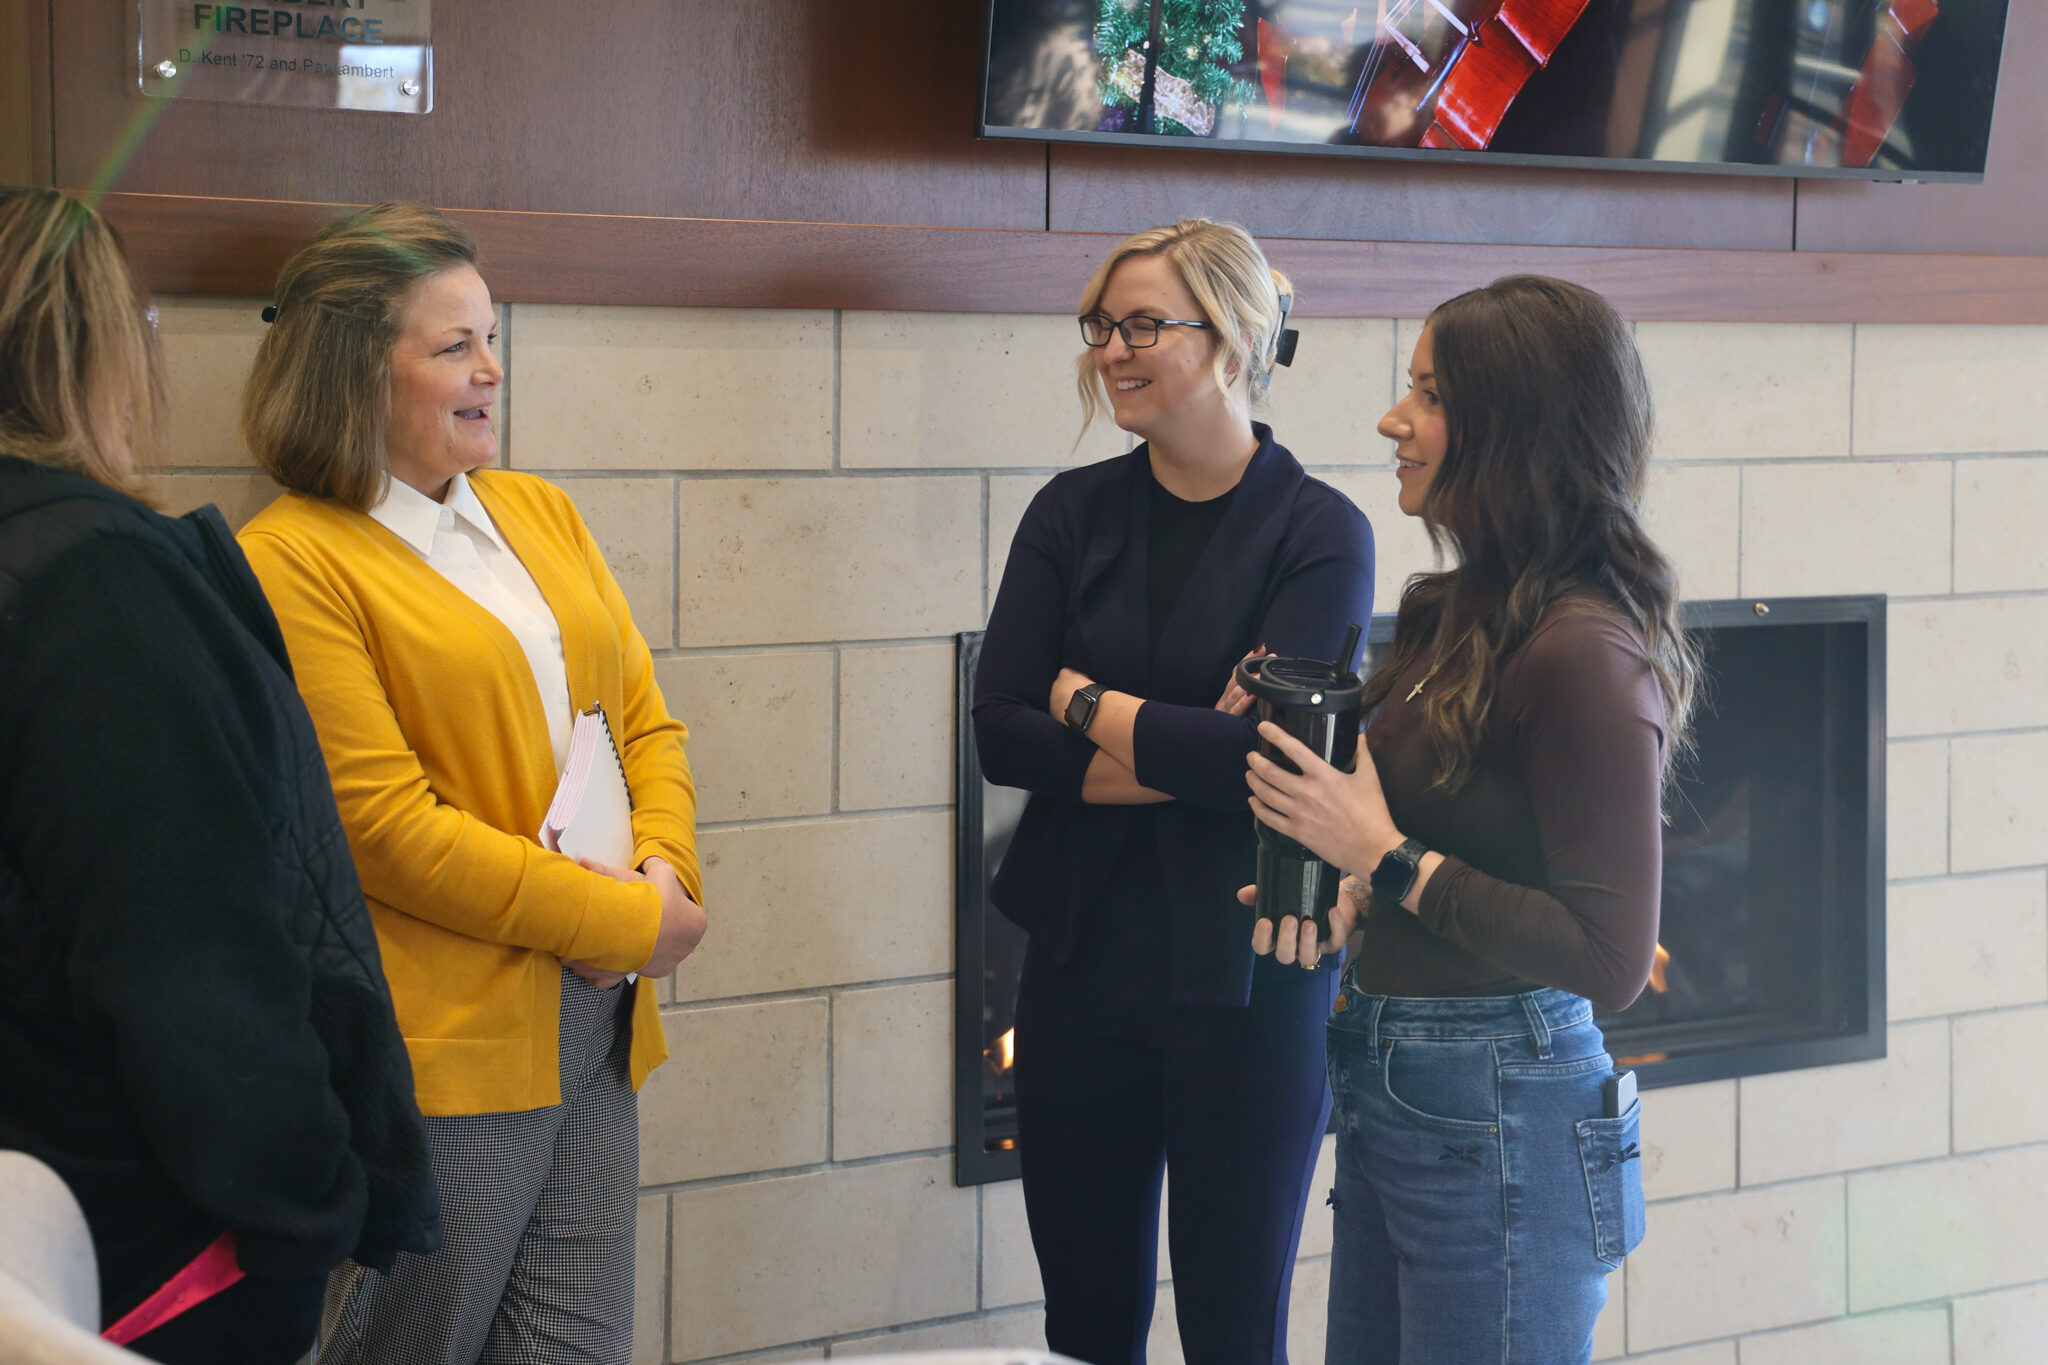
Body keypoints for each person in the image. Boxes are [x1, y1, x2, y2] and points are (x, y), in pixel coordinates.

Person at [234, 202, 706, 1365]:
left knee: (570, 1348)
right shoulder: (290, 560)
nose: (491, 369)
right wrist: (627, 920)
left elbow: (642, 720)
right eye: (453, 347)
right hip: (445, 1048)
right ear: (355, 369)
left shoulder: (538, 511)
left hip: (596, 1019)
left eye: (491, 337)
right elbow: (384, 831)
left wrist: (668, 874)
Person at [0, 187, 438, 1363]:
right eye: (452, 343)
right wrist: (307, 1205)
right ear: (90, 350)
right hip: (139, 1246)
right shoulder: (94, 587)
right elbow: (186, 953)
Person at [1244, 275, 1699, 1364]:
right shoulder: (1463, 616)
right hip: (1403, 1078)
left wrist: (1382, 857)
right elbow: (1482, 844)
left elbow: (1607, 956)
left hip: (1500, 1101)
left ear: (1514, 428)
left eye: (1428, 396)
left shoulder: (1582, 650)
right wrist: (1359, 894)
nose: (1391, 421)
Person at [973, 218, 1374, 1365]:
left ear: (1238, 337)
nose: (1112, 349)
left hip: (1253, 984)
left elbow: (1272, 767)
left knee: (1233, 1333)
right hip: (1077, 971)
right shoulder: (1069, 512)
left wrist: (1082, 703)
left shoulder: (1321, 534)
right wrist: (1189, 747)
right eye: (1102, 325)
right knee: (1086, 1331)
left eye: (1143, 323)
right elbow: (999, 731)